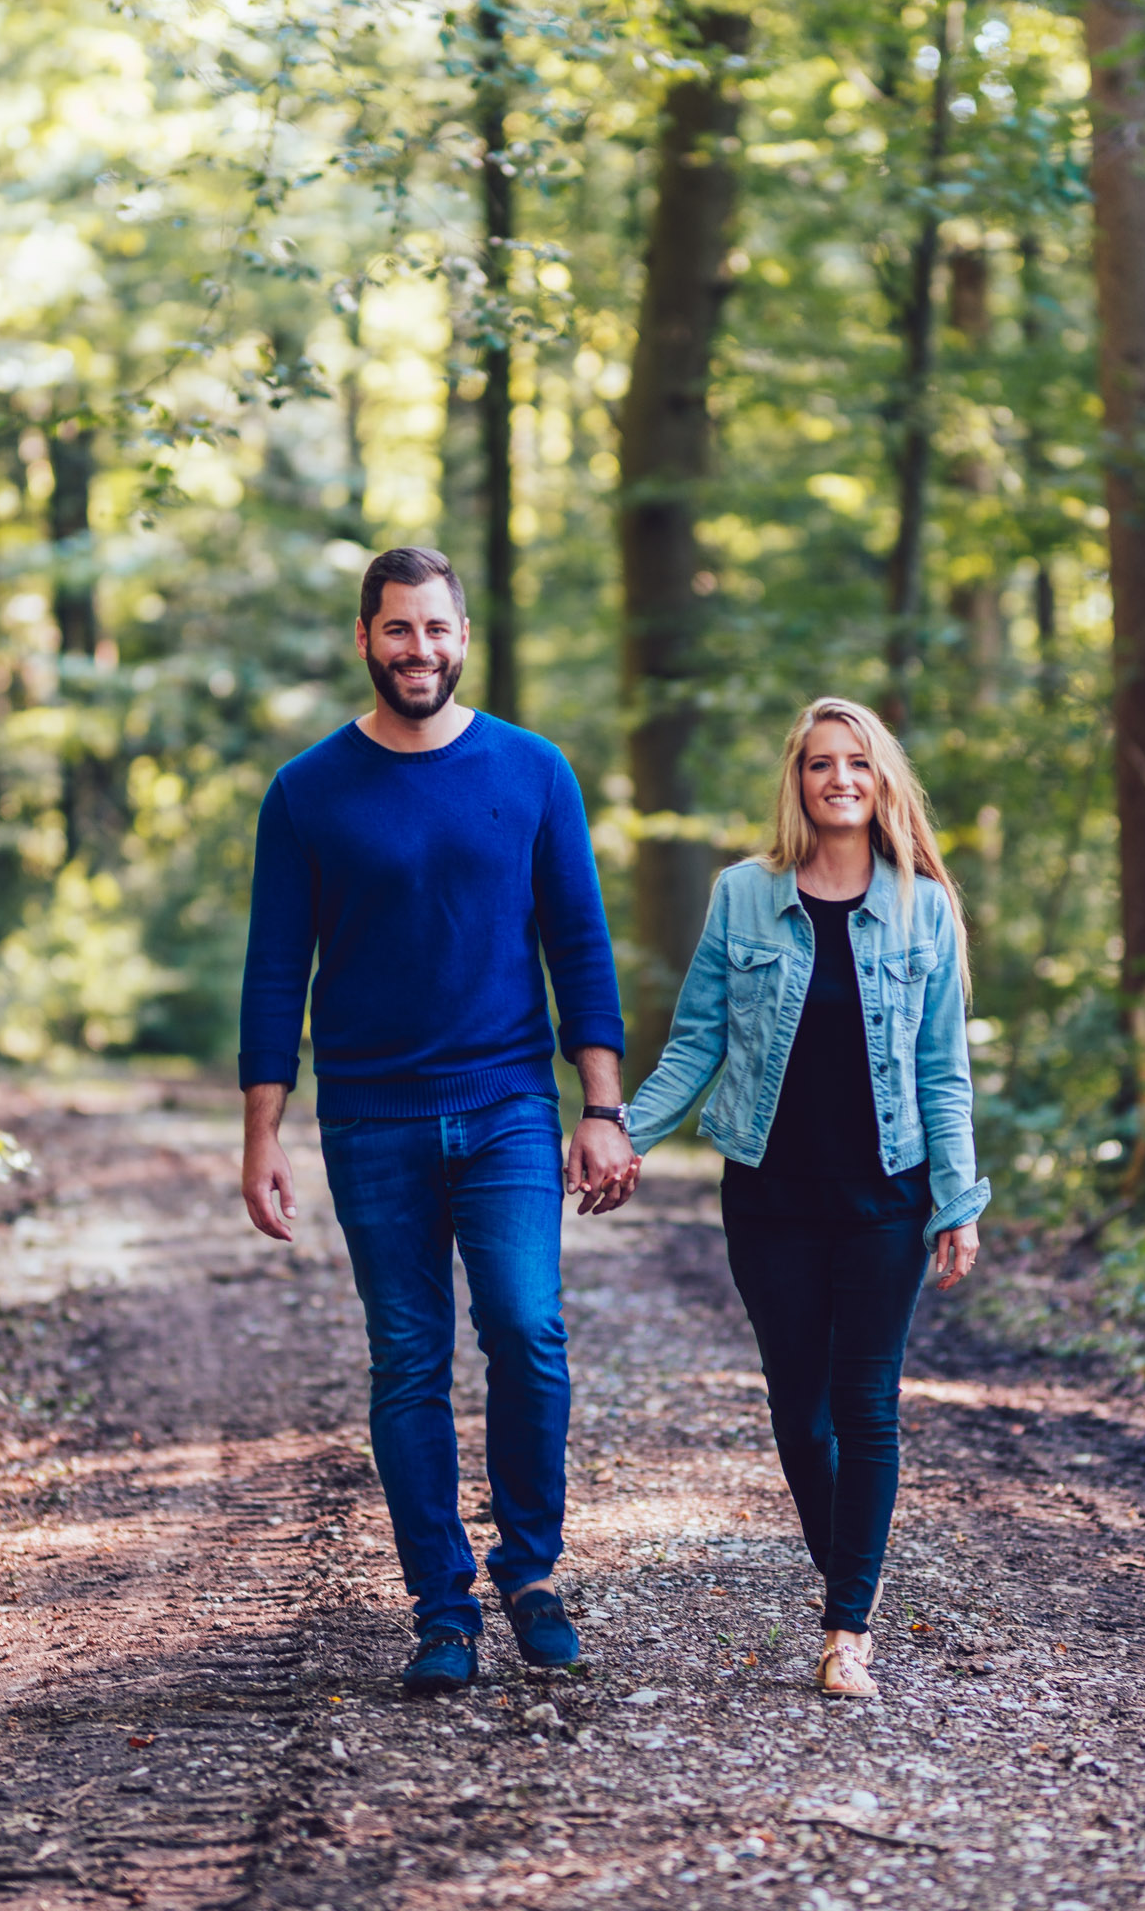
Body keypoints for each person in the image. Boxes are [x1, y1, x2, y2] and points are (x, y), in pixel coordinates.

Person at [238, 546, 640, 1698]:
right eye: (399, 630)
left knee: (525, 1331)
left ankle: (530, 1572)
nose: (422, 649)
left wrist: (601, 1106)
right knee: (409, 1360)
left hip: (511, 1102)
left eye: (439, 629)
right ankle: (442, 1607)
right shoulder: (307, 791)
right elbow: (276, 973)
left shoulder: (534, 769)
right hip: (369, 1120)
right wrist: (263, 1133)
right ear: (364, 638)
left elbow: (580, 945)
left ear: (465, 637)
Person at [623, 697, 987, 1699]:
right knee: (798, 1407)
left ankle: (847, 1627)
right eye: (821, 764)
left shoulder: (924, 907)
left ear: (881, 784)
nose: (839, 779)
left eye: (858, 765)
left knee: (866, 1406)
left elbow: (944, 1070)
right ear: (798, 781)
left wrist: (957, 1199)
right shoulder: (744, 895)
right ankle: (853, 1575)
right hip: (770, 1194)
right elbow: (698, 1038)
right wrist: (624, 1134)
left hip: (886, 1195)